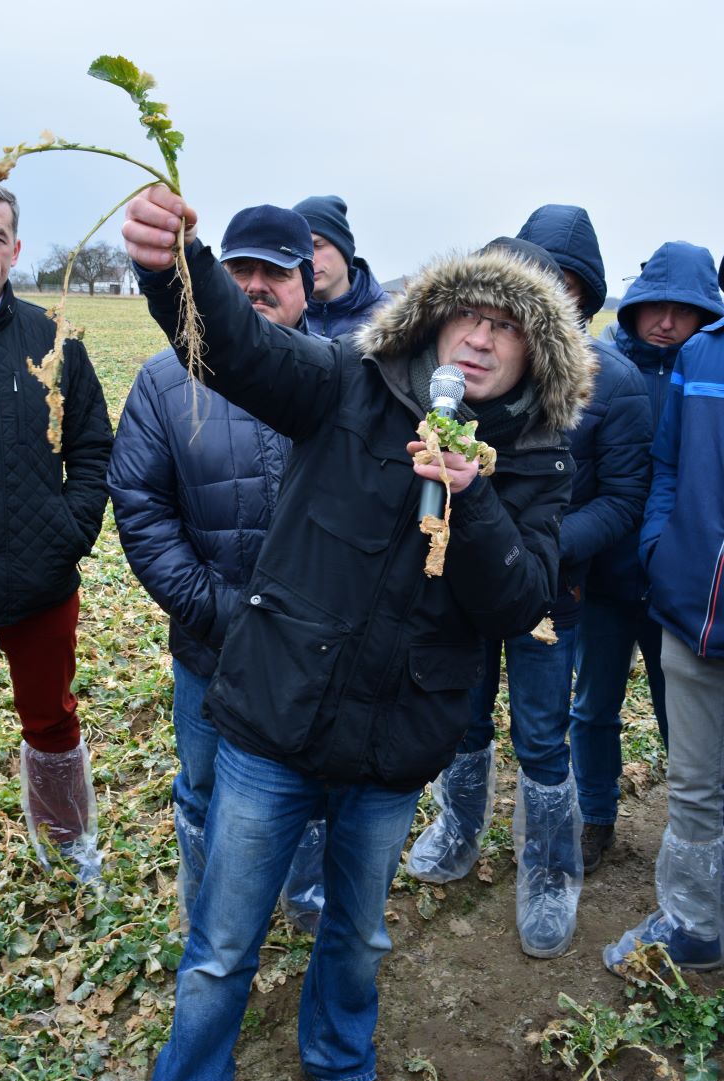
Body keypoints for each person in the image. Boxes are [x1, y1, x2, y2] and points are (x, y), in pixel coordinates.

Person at [122, 184, 595, 1081]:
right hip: (276, 720)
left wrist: (474, 499)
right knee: (221, 945)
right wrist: (177, 266)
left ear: (534, 352)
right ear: (436, 318)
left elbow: (519, 600)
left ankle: (339, 1063)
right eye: (471, 314)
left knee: (357, 935)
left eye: (509, 328)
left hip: (395, 738)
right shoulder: (349, 382)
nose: (482, 338)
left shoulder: (535, 458)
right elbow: (240, 350)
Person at [408, 209, 652, 957]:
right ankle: (457, 828)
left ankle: (549, 871)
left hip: (555, 599)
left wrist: (540, 552)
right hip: (465, 590)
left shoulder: (617, 382)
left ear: (584, 297)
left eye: (564, 285)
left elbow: (622, 499)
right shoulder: (475, 378)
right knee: (464, 717)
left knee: (544, 735)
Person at [107, 204, 324, 934]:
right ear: (214, 278)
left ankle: (304, 898)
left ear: (308, 285)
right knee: (201, 789)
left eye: (276, 272)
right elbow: (140, 509)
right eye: (241, 271)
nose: (257, 286)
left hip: (310, 655)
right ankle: (207, 912)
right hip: (210, 645)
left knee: (312, 788)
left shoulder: (343, 382)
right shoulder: (164, 383)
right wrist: (219, 610)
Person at [0, 176, 113, 882]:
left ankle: (68, 845)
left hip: (39, 577)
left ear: (15, 251)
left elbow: (94, 444)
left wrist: (71, 528)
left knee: (52, 720)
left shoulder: (52, 338)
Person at [570, 241, 724, 873]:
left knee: (680, 716)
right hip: (606, 581)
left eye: (682, 310)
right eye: (652, 307)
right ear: (630, 309)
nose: (665, 321)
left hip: (677, 592)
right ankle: (597, 818)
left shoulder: (704, 369)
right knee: (593, 705)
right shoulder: (598, 369)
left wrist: (661, 554)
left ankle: (689, 834)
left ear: (704, 314)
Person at [604, 267, 724, 974]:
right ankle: (695, 925)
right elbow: (668, 463)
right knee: (695, 780)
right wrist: (661, 546)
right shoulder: (704, 355)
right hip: (691, 609)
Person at [291, 194, 389, 337]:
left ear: (344, 248)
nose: (309, 259)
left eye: (318, 246)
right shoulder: (285, 320)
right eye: (300, 250)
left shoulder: (393, 318)